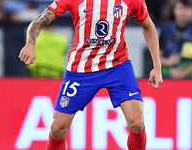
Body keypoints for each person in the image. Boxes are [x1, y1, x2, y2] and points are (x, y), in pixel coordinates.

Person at [19, 0, 163, 149]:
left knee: (137, 123)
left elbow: (148, 27)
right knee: (57, 128)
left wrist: (157, 66)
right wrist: (30, 43)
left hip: (117, 66)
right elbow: (37, 22)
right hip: (81, 70)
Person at [160, 0, 192, 79]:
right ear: (174, 10)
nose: (183, 12)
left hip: (191, 80)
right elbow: (156, 56)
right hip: (167, 78)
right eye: (180, 9)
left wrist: (182, 74)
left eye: (186, 9)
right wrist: (168, 62)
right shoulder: (166, 29)